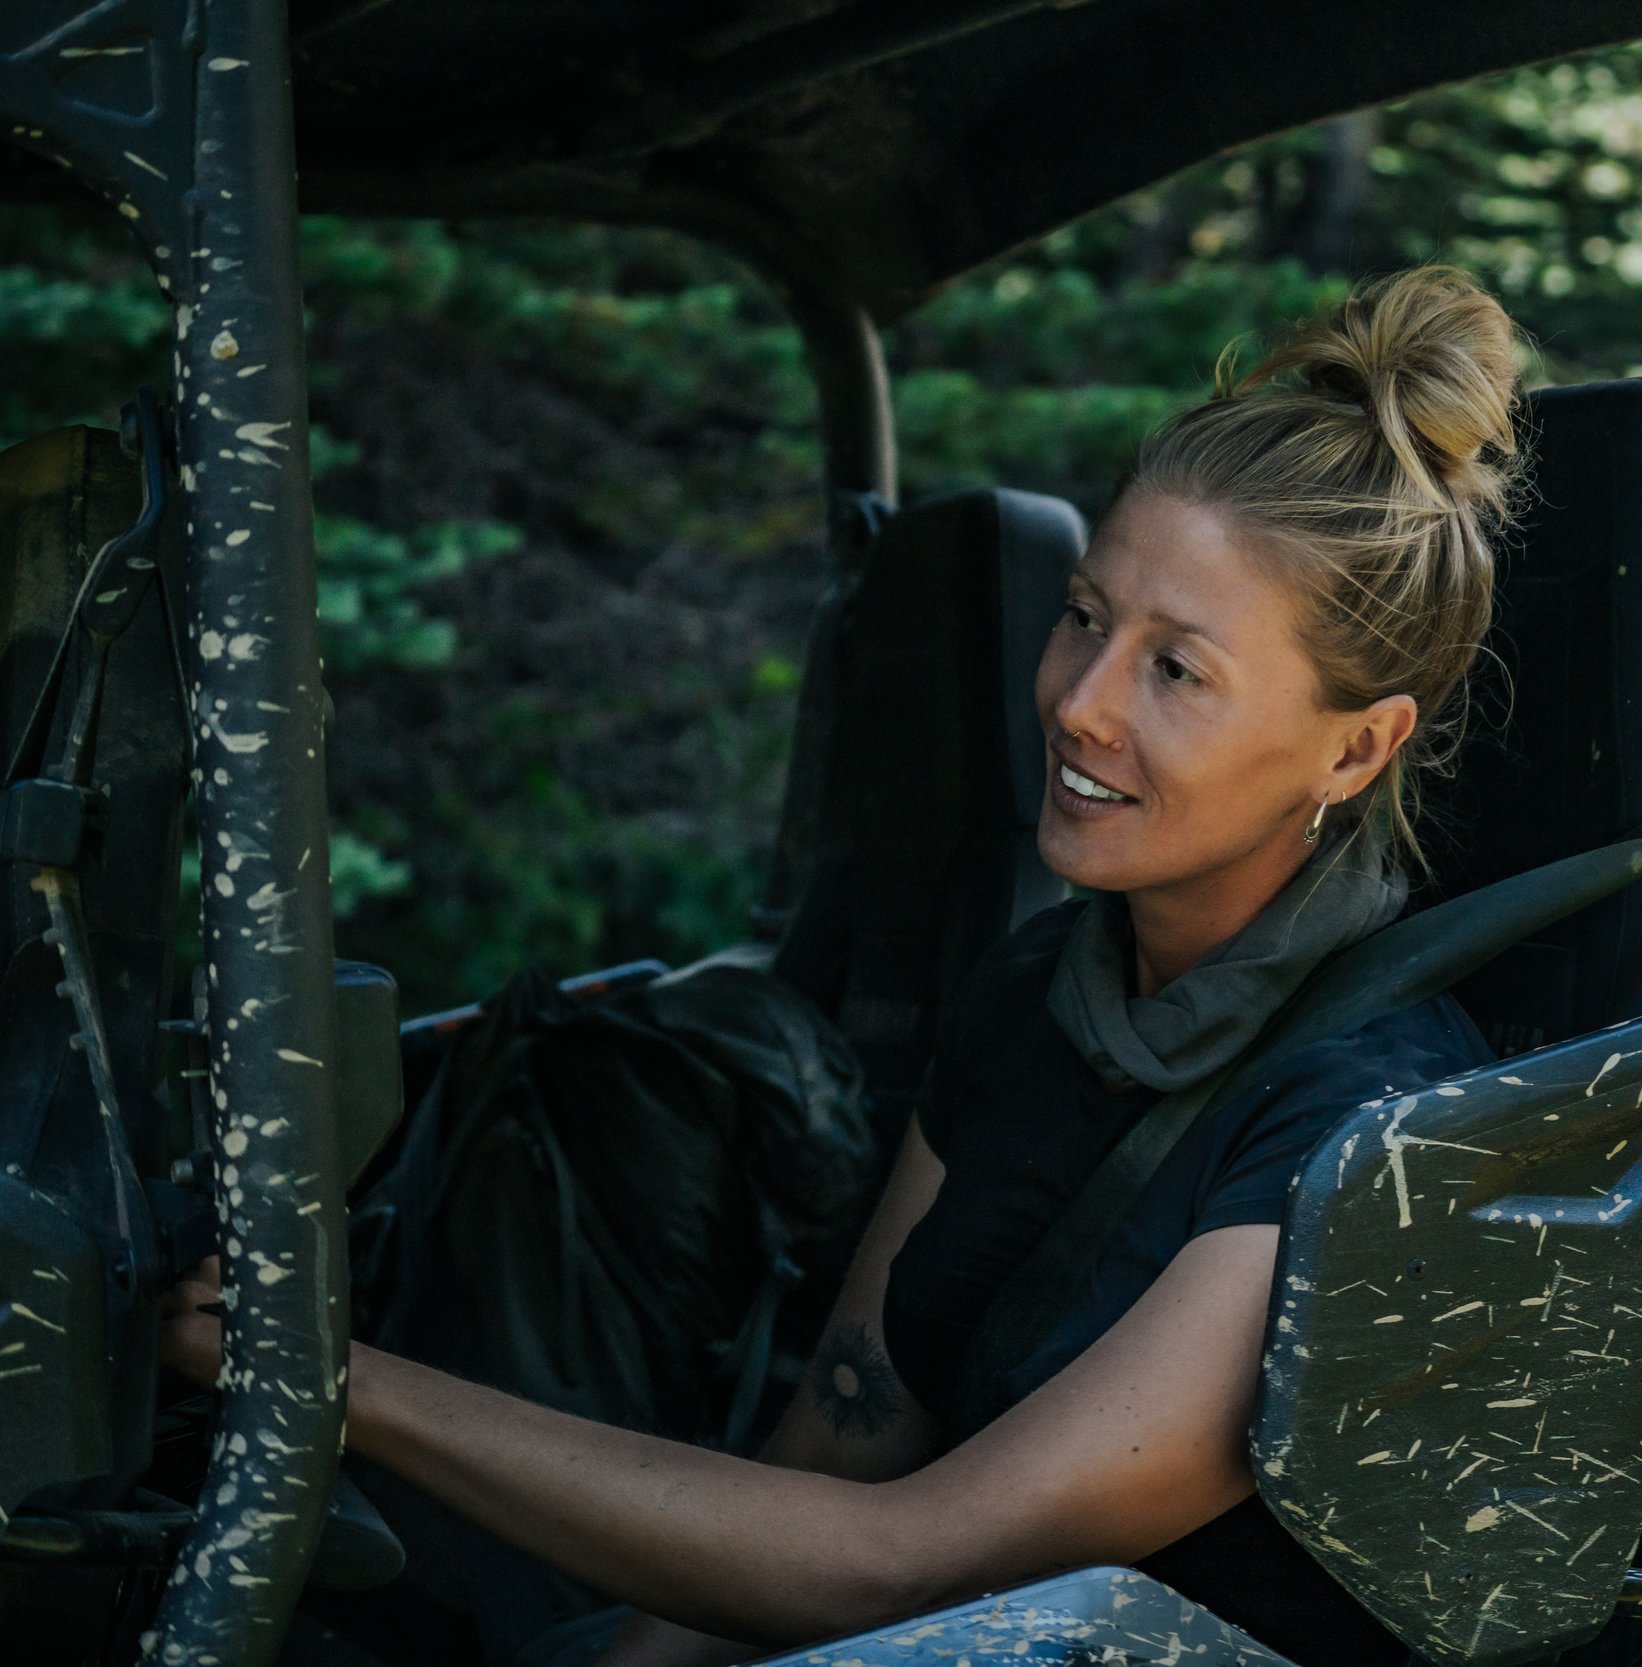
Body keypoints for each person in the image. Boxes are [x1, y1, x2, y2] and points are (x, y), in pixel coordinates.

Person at [161, 265, 1523, 1667]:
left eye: (1176, 671)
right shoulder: (1036, 995)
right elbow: (838, 1446)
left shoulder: (1370, 1134)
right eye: (1081, 616)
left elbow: (895, 1565)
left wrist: (329, 1385)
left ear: (1355, 749)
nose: (1077, 702)